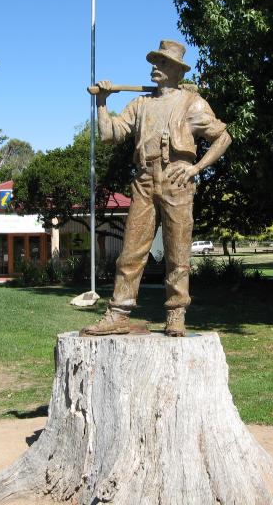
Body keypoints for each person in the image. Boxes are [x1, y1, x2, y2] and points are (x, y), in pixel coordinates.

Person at [81, 40, 232, 337]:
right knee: (131, 250)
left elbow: (223, 138)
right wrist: (102, 103)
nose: (155, 67)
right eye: (154, 62)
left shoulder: (193, 103)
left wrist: (196, 168)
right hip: (144, 180)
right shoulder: (141, 104)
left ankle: (176, 313)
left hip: (177, 181)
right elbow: (110, 135)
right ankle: (118, 313)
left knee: (177, 252)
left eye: (162, 63)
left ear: (177, 70)